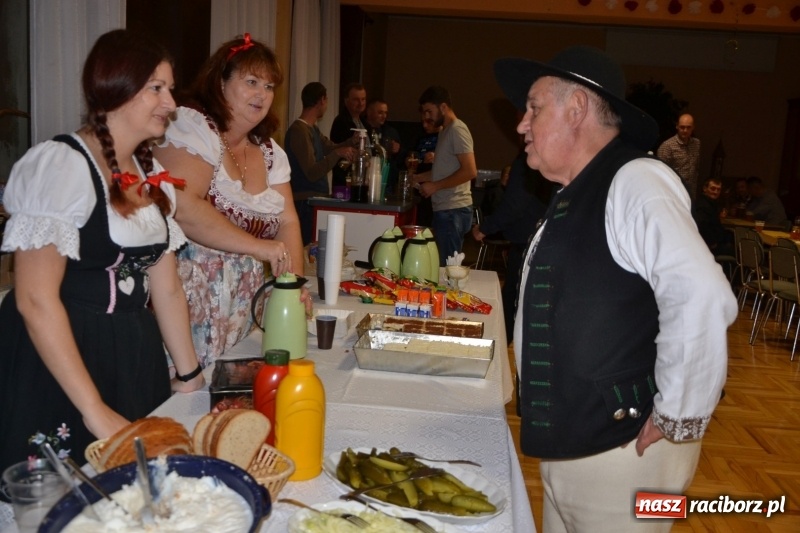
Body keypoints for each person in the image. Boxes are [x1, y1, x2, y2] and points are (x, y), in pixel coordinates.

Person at [494, 46, 738, 530]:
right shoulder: (580, 191)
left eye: (534, 108)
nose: (522, 124)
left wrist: (676, 415)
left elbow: (701, 293)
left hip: (628, 457)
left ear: (577, 108)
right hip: (578, 446)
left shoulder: (637, 180)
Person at [0, 30, 205, 474]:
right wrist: (93, 409)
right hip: (61, 359)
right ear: (116, 87)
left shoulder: (149, 170)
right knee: (66, 493)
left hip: (131, 358)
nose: (171, 102)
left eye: (170, 88)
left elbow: (166, 288)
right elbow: (34, 299)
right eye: (156, 88)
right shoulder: (60, 166)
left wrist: (190, 378)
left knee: (135, 489)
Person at [153, 34, 305, 368]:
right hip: (187, 300)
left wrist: (292, 286)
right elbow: (182, 206)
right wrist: (258, 247)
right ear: (220, 82)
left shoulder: (270, 152)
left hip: (241, 308)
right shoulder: (192, 129)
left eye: (269, 86)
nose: (262, 94)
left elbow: (288, 222)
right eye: (251, 82)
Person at [471, 150, 550, 340]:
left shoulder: (530, 157)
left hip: (529, 244)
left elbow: (514, 204)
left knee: (513, 302)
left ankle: (500, 350)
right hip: (540, 241)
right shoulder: (550, 156)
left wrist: (485, 228)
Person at [284, 82, 356, 245]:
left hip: (313, 201)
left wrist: (350, 142)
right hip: (305, 202)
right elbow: (312, 172)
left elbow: (330, 147)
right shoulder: (299, 131)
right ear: (322, 100)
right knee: (306, 248)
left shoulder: (312, 129)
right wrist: (338, 153)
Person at [413, 86, 476, 265]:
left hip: (453, 210)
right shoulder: (445, 131)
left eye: (429, 111)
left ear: (443, 107)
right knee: (444, 267)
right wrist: (419, 178)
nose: (427, 117)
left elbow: (470, 171)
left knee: (447, 269)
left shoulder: (457, 129)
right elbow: (443, 171)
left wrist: (435, 186)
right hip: (448, 210)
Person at [329, 83, 368, 195]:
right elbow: (337, 149)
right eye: (356, 99)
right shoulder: (341, 122)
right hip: (346, 179)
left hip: (361, 177)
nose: (360, 103)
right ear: (346, 101)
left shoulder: (364, 122)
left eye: (363, 99)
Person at [656, 113, 701, 200]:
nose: (685, 130)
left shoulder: (696, 144)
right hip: (673, 192)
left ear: (693, 127)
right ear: (677, 126)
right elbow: (661, 173)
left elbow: (696, 169)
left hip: (690, 192)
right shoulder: (667, 146)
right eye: (682, 127)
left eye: (688, 127)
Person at [693, 177, 735, 256]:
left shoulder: (710, 203)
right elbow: (702, 225)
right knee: (738, 250)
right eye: (713, 188)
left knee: (734, 237)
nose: (716, 192)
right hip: (708, 245)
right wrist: (712, 243)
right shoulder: (703, 205)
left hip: (715, 241)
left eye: (718, 189)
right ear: (705, 189)